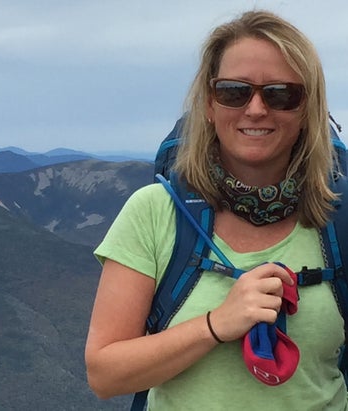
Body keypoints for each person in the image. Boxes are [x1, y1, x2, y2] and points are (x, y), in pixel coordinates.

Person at [84, 9, 348, 410]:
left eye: (280, 94)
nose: (256, 109)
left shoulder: (339, 217)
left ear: (306, 110)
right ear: (209, 103)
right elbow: (105, 374)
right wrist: (217, 324)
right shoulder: (155, 212)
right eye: (234, 92)